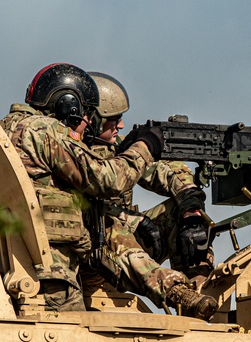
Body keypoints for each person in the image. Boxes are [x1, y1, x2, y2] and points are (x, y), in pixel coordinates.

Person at [2, 63, 209, 317]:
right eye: (86, 114)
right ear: (69, 108)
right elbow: (107, 180)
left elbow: (162, 172)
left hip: (47, 256)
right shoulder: (45, 132)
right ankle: (176, 291)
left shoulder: (10, 128)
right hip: (55, 266)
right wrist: (146, 145)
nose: (87, 122)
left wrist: (190, 200)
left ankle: (188, 290)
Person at [81, 72, 216, 320]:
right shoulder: (72, 153)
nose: (120, 125)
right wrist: (133, 221)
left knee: (186, 218)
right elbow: (92, 203)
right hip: (92, 248)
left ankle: (199, 296)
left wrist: (191, 211)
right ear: (92, 120)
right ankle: (177, 292)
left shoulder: (115, 148)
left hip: (124, 248)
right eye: (113, 119)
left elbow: (167, 172)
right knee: (111, 226)